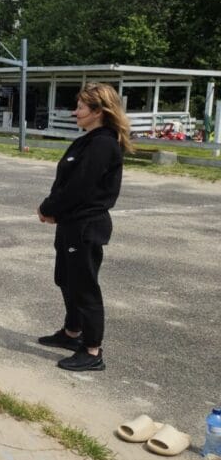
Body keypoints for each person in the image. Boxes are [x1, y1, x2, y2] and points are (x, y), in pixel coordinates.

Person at [36, 83, 132, 372]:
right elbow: (67, 181)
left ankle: (92, 351)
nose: (74, 112)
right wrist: (54, 211)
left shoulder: (103, 143)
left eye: (80, 107)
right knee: (66, 279)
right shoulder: (87, 140)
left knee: (84, 286)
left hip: (86, 225)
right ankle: (72, 332)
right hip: (70, 223)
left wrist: (49, 209)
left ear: (98, 111)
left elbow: (80, 187)